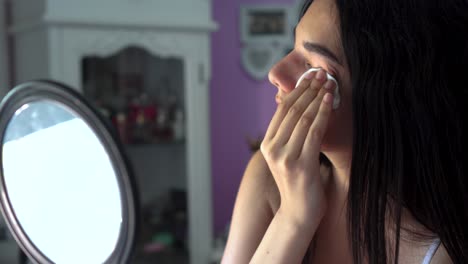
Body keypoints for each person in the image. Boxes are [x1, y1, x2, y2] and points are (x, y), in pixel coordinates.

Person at [221, 0, 468, 263]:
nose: (276, 72)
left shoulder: (445, 249)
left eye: (313, 66)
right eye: (292, 48)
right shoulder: (268, 179)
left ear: (387, 101)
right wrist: (293, 219)